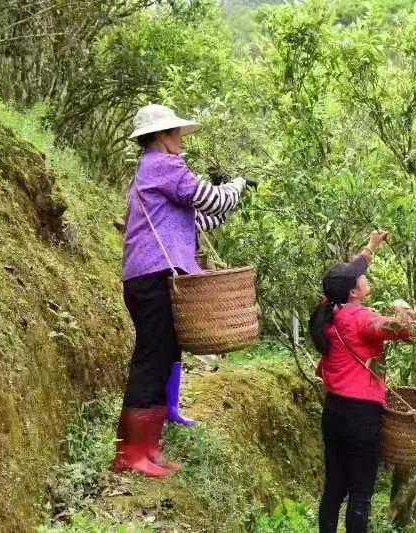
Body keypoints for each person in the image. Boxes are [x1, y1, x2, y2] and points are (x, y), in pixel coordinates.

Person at [112, 104, 248, 478]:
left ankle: (149, 448)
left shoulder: (153, 171)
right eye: (176, 135)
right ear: (160, 136)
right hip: (152, 277)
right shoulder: (164, 166)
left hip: (154, 277)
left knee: (163, 357)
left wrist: (232, 198)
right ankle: (130, 454)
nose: (181, 142)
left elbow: (202, 217)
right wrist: (236, 186)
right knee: (151, 360)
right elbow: (211, 199)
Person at [309, 231, 416, 533]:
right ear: (354, 291)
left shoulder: (331, 311)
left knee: (334, 487)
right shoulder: (361, 318)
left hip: (334, 410)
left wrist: (371, 247)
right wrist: (403, 313)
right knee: (360, 491)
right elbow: (395, 329)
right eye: (361, 277)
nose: (365, 277)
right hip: (362, 416)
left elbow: (349, 272)